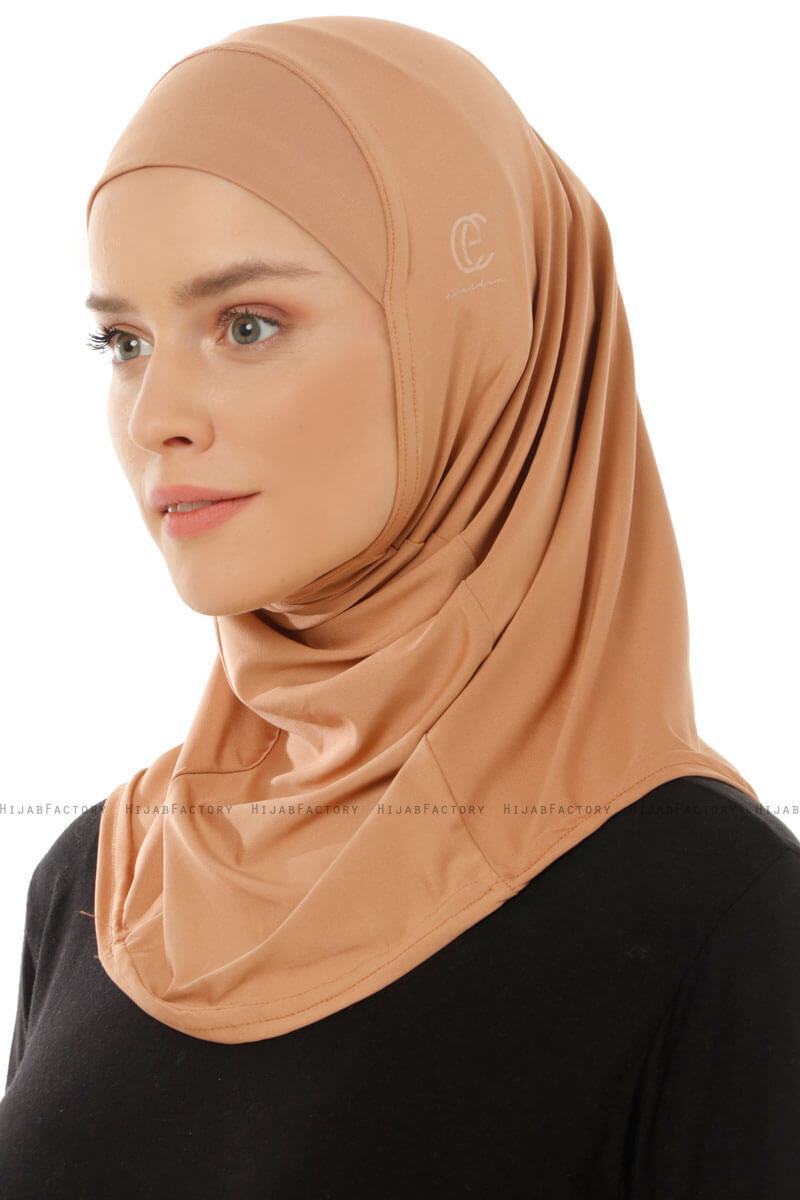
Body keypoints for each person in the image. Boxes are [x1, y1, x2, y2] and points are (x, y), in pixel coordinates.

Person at [1, 15, 798, 1198]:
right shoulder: (98, 881)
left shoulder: (713, 912)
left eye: (247, 325)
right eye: (121, 340)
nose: (154, 414)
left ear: (471, 341)